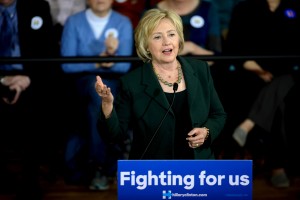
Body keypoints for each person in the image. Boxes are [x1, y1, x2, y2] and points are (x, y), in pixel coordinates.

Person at [95, 8, 226, 160]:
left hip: (199, 167)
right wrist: (107, 105)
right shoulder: (132, 82)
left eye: (171, 34)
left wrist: (207, 131)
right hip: (153, 172)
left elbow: (218, 115)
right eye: (157, 37)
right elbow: (114, 136)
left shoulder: (200, 69)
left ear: (179, 38)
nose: (167, 42)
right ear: (146, 45)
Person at [224, 0, 300, 188]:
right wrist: (259, 71)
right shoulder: (244, 8)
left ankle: (248, 125)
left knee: (284, 86)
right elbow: (234, 48)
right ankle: (277, 166)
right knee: (278, 100)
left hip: (290, 73)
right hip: (253, 72)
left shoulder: (296, 8)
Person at [60, 0, 133, 191]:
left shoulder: (123, 22)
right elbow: (67, 65)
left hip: (114, 82)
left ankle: (98, 166)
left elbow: (124, 65)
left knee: (99, 100)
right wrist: (99, 64)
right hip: (81, 83)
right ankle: (108, 160)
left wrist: (106, 63)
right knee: (97, 94)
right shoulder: (74, 21)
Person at [0, 0, 63, 199]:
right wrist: (2, 80)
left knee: (40, 106)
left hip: (31, 78)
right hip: (0, 77)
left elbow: (49, 52)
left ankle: (30, 178)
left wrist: (27, 78)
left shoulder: (37, 7)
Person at [153, 0, 222, 62]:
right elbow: (145, 54)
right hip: (161, 70)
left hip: (199, 71)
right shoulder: (151, 13)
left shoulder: (208, 8)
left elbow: (216, 58)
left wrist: (192, 48)